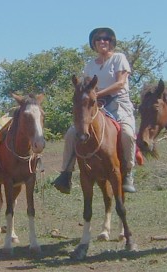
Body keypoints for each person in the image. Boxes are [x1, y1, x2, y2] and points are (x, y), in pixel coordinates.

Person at [53, 27, 137, 194]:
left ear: (111, 41)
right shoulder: (90, 65)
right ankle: (66, 173)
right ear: (93, 44)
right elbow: (85, 87)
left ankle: (128, 172)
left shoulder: (119, 58)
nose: (102, 41)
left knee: (127, 133)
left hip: (118, 103)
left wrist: (97, 94)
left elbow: (120, 83)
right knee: (71, 133)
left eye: (106, 38)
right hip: (95, 106)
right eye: (98, 39)